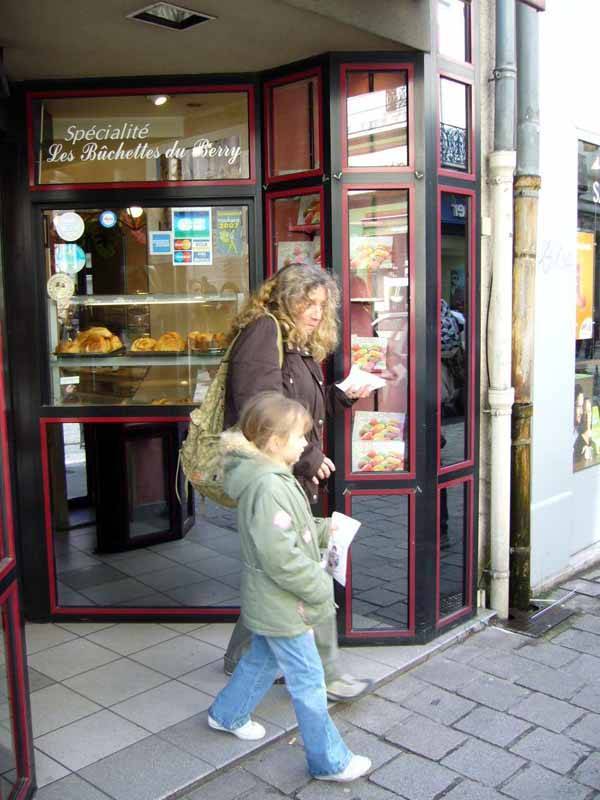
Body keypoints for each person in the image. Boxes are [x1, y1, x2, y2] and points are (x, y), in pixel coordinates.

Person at [222, 263, 373, 701]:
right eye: (308, 302)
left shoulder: (294, 343)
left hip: (286, 468)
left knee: (276, 564)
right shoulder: (264, 333)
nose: (314, 312)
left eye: (322, 305)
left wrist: (342, 395)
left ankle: (242, 656)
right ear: (286, 299)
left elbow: (298, 403)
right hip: (276, 472)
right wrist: (309, 455)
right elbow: (259, 409)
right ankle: (327, 674)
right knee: (304, 564)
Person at [208, 392, 371, 782]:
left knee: (263, 656)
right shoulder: (269, 486)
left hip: (273, 602)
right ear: (274, 442)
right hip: (284, 602)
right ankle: (329, 761)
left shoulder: (272, 478)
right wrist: (318, 585)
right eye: (300, 437)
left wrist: (321, 528)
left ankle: (226, 715)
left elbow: (285, 533)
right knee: (309, 682)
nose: (306, 443)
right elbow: (279, 555)